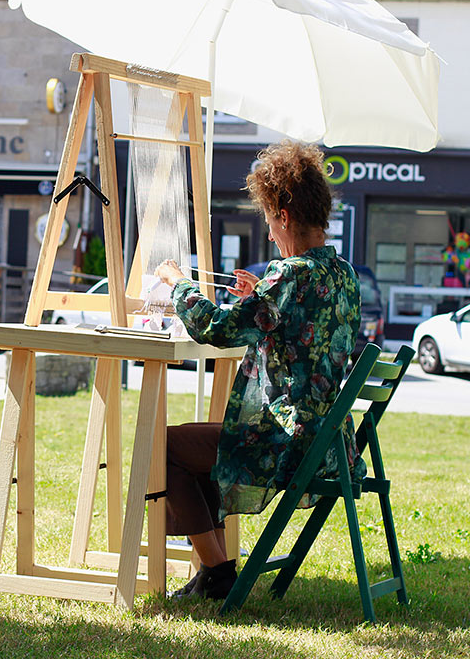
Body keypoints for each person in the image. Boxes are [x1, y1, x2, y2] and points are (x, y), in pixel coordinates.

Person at [155, 141, 364, 601]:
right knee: (197, 444)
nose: (269, 234)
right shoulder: (344, 274)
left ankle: (218, 572)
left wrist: (177, 283)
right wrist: (259, 298)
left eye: (270, 221)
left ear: (285, 217)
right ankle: (215, 571)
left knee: (165, 446)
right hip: (331, 445)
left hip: (287, 447)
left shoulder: (288, 277)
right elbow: (301, 329)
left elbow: (217, 327)